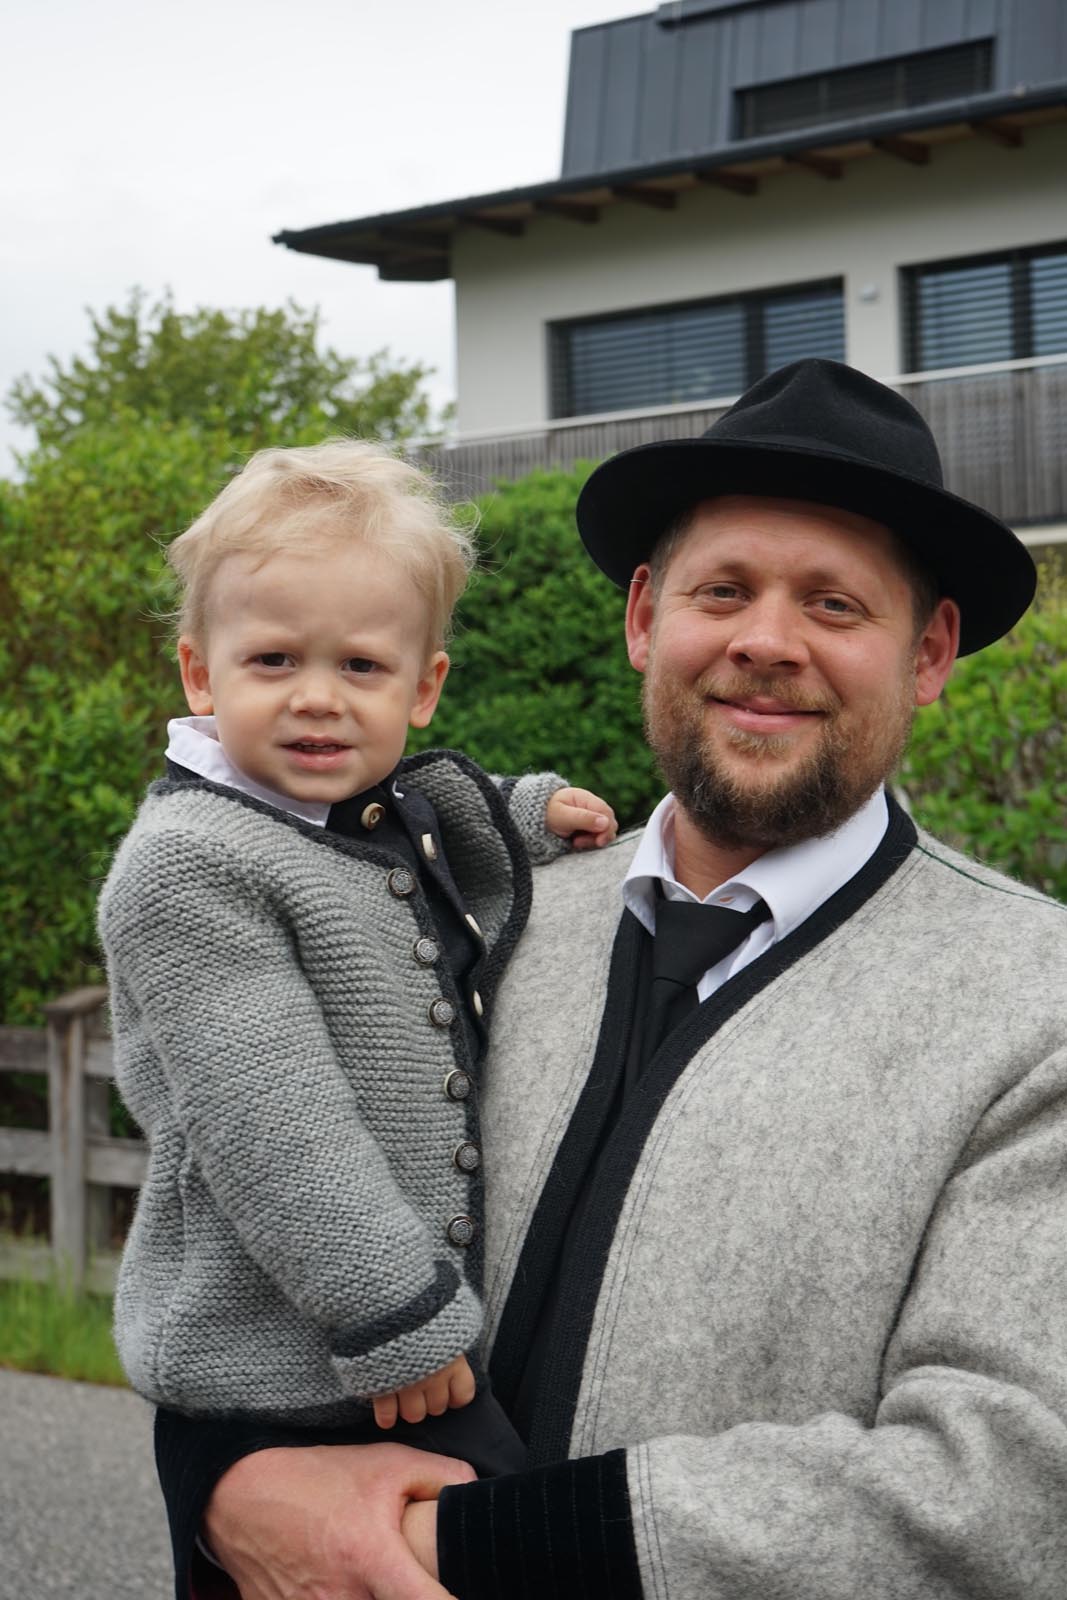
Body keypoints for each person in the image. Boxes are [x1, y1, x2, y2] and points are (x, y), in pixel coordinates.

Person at [155, 361, 1067, 1600]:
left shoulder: (1032, 1004)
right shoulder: (479, 911)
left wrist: (450, 1546)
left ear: (929, 652)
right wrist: (222, 1479)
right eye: (721, 589)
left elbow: (1010, 1486)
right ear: (644, 616)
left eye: (835, 603)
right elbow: (249, 1193)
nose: (764, 640)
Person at [97, 441, 618, 1500]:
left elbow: (418, 816)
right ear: (200, 673)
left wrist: (523, 812)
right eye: (273, 660)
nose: (318, 698)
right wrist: (394, 1314)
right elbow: (275, 1126)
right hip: (290, 1371)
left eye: (361, 668)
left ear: (423, 688)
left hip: (391, 1350)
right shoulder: (190, 864)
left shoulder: (333, 813)